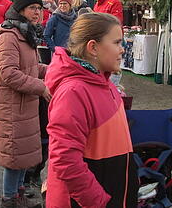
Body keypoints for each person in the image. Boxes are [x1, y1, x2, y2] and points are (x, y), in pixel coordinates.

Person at [45, 12, 138, 207]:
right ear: (93, 47)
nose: (123, 49)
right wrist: (99, 202)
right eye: (117, 43)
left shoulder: (105, 84)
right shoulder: (74, 92)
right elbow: (65, 159)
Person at [0, 0, 49, 208]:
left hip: (25, 104)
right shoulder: (8, 36)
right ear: (20, 10)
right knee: (14, 157)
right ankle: (9, 199)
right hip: (12, 106)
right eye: (33, 8)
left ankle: (19, 194)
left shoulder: (25, 33)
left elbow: (31, 67)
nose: (37, 13)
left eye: (40, 8)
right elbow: (9, 73)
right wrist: (41, 87)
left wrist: (52, 71)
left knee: (24, 153)